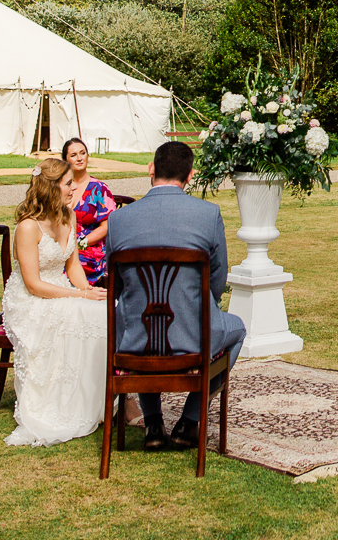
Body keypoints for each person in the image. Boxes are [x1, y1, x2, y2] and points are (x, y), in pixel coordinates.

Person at [105, 140, 246, 451]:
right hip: (192, 341)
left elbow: (115, 288)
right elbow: (217, 280)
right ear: (191, 175)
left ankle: (153, 423)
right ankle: (190, 420)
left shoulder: (118, 219)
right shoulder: (208, 214)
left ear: (151, 169)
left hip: (133, 344)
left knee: (139, 316)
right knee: (237, 330)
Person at [1, 157, 109, 447]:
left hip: (59, 288)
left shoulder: (68, 216)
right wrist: (80, 296)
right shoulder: (28, 227)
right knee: (75, 314)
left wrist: (88, 291)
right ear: (51, 188)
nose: (74, 188)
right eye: (68, 184)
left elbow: (72, 266)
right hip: (28, 299)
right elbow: (34, 284)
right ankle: (56, 404)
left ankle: (89, 401)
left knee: (99, 312)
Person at [61, 137, 119, 286]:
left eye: (83, 153)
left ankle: (79, 301)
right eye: (73, 155)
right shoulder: (59, 188)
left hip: (89, 248)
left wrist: (82, 243)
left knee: (71, 265)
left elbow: (106, 226)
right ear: (65, 160)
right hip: (62, 246)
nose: (79, 158)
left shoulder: (99, 188)